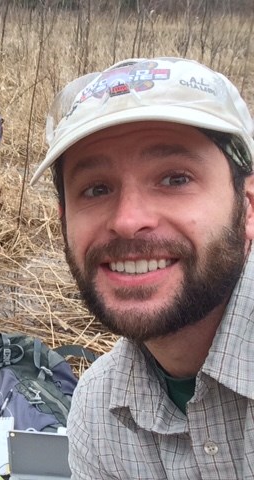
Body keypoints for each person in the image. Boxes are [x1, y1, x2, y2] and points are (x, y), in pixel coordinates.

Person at [30, 57, 254, 478]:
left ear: (248, 206)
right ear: (63, 221)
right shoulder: (98, 413)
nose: (128, 219)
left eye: (174, 179)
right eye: (96, 189)